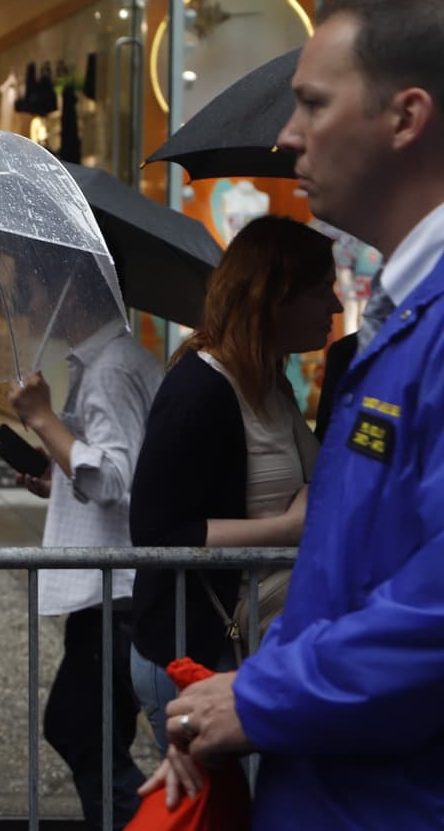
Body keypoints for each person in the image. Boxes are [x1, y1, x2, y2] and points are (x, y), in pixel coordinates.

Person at [153, 0, 444, 827]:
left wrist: (261, 697)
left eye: (313, 104)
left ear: (407, 117)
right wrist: (245, 699)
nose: (288, 136)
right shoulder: (416, 312)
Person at [128, 215, 338, 752]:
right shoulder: (199, 390)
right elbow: (157, 532)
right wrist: (287, 527)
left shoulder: (269, 378)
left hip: (250, 645)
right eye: (321, 292)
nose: (335, 308)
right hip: (199, 652)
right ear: (274, 297)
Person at [6, 306, 162, 830]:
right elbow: (128, 474)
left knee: (77, 727)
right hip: (112, 590)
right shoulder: (107, 362)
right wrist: (59, 483)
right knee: (92, 731)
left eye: (32, 282)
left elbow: (114, 478)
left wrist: (42, 417)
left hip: (113, 592)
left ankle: (145, 822)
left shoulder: (110, 368)